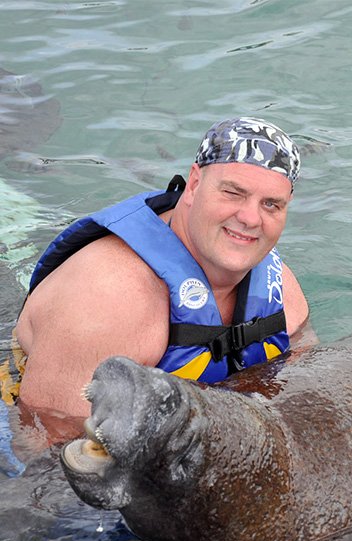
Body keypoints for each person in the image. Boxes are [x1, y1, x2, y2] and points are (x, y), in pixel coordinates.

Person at [12, 117, 311, 421]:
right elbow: (47, 440)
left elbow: (301, 397)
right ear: (194, 185)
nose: (250, 218)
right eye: (233, 193)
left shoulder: (282, 291)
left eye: (270, 205)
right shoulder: (106, 298)